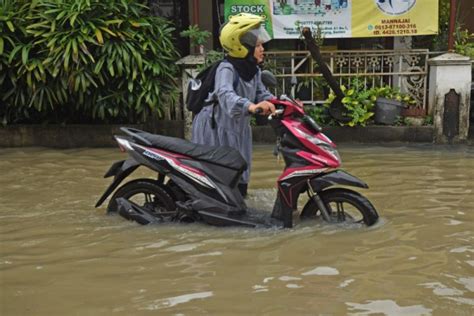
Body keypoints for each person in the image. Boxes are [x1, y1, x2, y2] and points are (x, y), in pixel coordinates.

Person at [191, 13, 276, 198]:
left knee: (241, 176)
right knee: (218, 178)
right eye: (258, 45)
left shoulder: (252, 70)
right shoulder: (227, 68)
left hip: (237, 128)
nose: (262, 49)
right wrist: (251, 107)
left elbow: (262, 93)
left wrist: (283, 103)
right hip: (216, 128)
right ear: (241, 46)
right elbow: (225, 94)